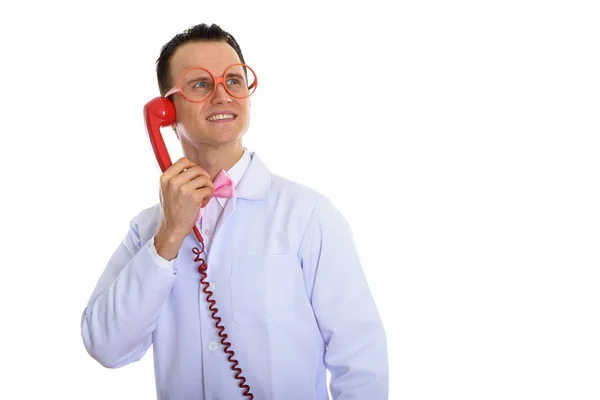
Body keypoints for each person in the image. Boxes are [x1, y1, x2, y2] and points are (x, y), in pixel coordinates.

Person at [80, 23, 388, 399]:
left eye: (234, 80)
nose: (222, 95)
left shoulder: (309, 215)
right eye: (200, 84)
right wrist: (169, 237)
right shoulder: (147, 230)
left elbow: (360, 359)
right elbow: (106, 347)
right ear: (164, 110)